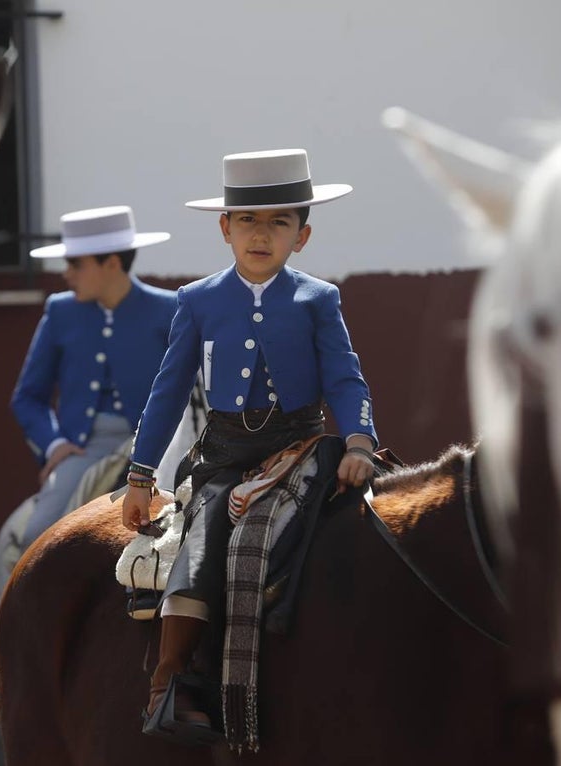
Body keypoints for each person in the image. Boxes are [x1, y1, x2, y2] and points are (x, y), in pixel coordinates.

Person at [121, 149, 378, 730]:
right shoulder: (198, 301)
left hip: (303, 449)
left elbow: (344, 376)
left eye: (279, 222)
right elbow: (168, 392)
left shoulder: (319, 299)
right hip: (225, 457)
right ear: (225, 228)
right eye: (248, 221)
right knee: (203, 543)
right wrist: (141, 477)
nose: (261, 234)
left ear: (302, 236)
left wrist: (360, 442)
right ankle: (170, 685)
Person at [11, 205, 176, 551]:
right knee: (37, 537)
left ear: (112, 263)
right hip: (84, 447)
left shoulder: (169, 309)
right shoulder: (60, 311)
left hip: (159, 445)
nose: (66, 274)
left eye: (76, 264)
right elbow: (28, 397)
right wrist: (54, 444)